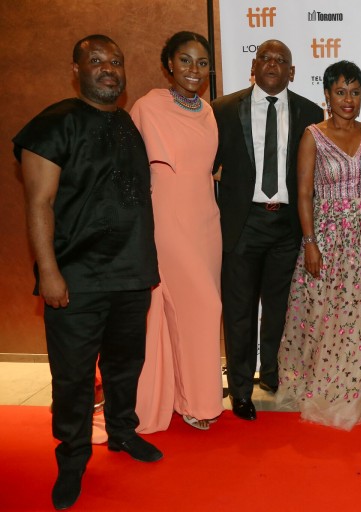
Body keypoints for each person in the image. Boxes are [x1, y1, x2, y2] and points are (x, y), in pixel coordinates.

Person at [13, 35, 162, 510]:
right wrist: (49, 272)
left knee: (126, 366)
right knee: (73, 377)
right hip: (76, 277)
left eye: (115, 61)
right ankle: (73, 456)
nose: (108, 69)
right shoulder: (53, 123)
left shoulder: (127, 123)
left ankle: (122, 431)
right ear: (75, 70)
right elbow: (39, 204)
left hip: (132, 273)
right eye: (96, 61)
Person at [212, 40, 324, 421]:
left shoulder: (310, 112)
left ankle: (273, 375)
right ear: (253, 66)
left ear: (292, 71)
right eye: (265, 58)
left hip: (287, 226)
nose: (273, 64)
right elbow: (207, 165)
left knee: (279, 309)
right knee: (239, 311)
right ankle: (241, 389)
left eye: (281, 60)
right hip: (243, 224)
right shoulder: (223, 109)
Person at [275, 61, 361, 430]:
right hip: (327, 236)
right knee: (325, 314)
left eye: (354, 92)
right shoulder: (313, 135)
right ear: (327, 95)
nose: (348, 99)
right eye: (340, 92)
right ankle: (325, 384)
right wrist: (310, 242)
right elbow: (303, 193)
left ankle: (358, 387)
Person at [130, 31, 223, 432]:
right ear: (169, 64)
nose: (193, 70)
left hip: (206, 222)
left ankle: (181, 396)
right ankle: (197, 402)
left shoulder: (207, 110)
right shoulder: (148, 107)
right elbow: (131, 171)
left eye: (202, 63)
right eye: (185, 60)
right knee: (204, 307)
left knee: (185, 312)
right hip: (167, 220)